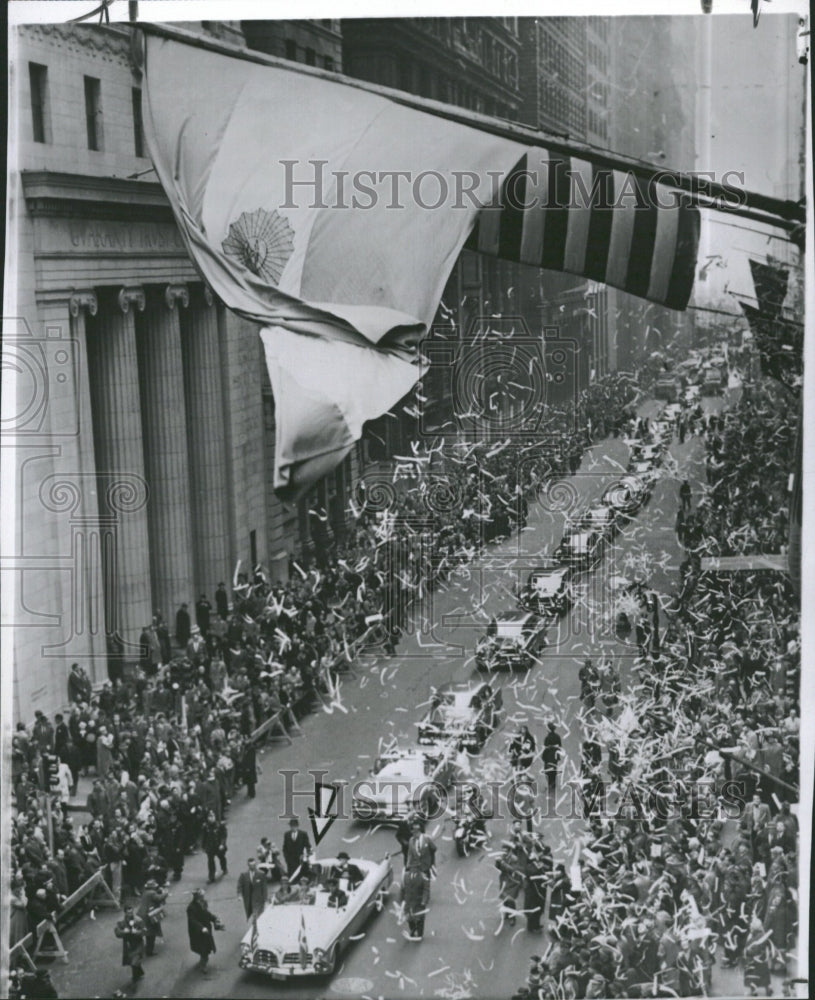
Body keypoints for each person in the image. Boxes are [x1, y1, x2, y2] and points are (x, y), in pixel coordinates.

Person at [186, 888, 221, 973]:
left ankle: (202, 961)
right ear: (197, 896)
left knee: (205, 948)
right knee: (204, 949)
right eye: (201, 896)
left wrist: (214, 918)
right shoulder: (191, 908)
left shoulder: (203, 903)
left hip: (205, 929)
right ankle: (203, 966)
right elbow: (192, 920)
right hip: (198, 932)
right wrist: (201, 928)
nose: (203, 897)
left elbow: (206, 913)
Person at [114, 903, 147, 983]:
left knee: (134, 962)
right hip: (128, 944)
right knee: (133, 961)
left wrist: (137, 932)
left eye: (132, 912)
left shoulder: (138, 920)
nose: (131, 914)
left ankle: (134, 978)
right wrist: (123, 932)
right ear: (125, 913)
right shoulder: (121, 922)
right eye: (128, 913)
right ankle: (140, 972)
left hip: (138, 943)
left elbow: (144, 931)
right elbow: (117, 933)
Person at [137, 878, 168, 957]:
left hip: (141, 914)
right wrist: (165, 893)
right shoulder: (152, 893)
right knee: (151, 934)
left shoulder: (145, 892)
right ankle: (149, 951)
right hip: (149, 916)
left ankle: (140, 948)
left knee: (144, 932)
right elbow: (159, 898)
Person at [401, 867, 430, 940]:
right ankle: (413, 929)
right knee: (409, 917)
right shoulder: (405, 876)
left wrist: (424, 901)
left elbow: (426, 890)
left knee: (419, 918)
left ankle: (420, 933)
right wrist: (403, 899)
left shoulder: (423, 877)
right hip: (409, 901)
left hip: (418, 902)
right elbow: (403, 888)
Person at [201, 809, 228, 883]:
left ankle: (224, 868)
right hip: (210, 847)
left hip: (218, 846)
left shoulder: (220, 825)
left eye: (212, 816)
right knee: (210, 861)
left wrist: (222, 844)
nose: (211, 818)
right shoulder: (206, 827)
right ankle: (211, 876)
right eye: (209, 816)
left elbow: (224, 835)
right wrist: (203, 846)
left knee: (221, 858)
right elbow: (204, 837)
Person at [541, 722, 563, 798]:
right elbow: (560, 747)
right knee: (553, 773)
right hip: (555, 758)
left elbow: (545, 747)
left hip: (548, 758)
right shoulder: (557, 737)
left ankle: (550, 788)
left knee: (548, 772)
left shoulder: (547, 737)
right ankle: (552, 788)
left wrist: (544, 757)